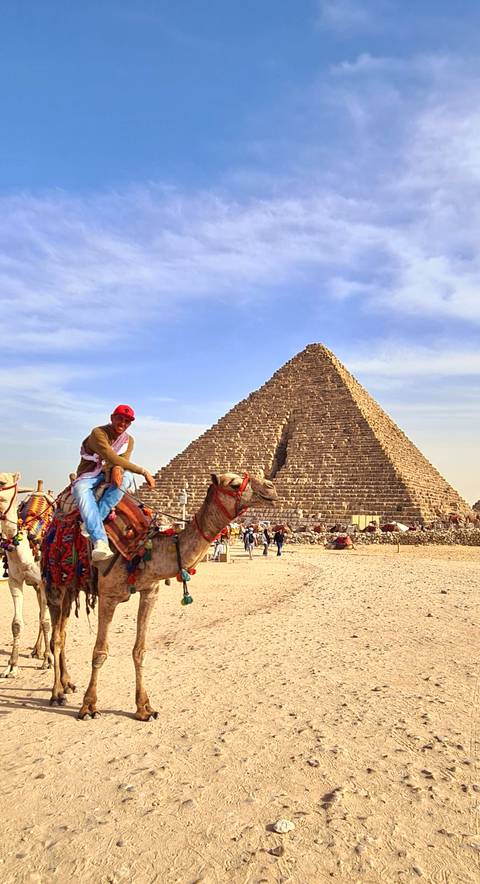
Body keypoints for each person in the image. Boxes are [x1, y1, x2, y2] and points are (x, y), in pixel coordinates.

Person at [71, 404, 155, 562]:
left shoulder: (128, 441)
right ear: (112, 418)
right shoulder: (98, 433)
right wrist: (143, 471)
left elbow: (122, 462)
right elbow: (111, 456)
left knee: (128, 478)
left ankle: (91, 523)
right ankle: (100, 540)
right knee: (80, 490)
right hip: (89, 475)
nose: (123, 423)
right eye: (120, 419)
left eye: (127, 421)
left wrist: (118, 468)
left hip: (109, 475)